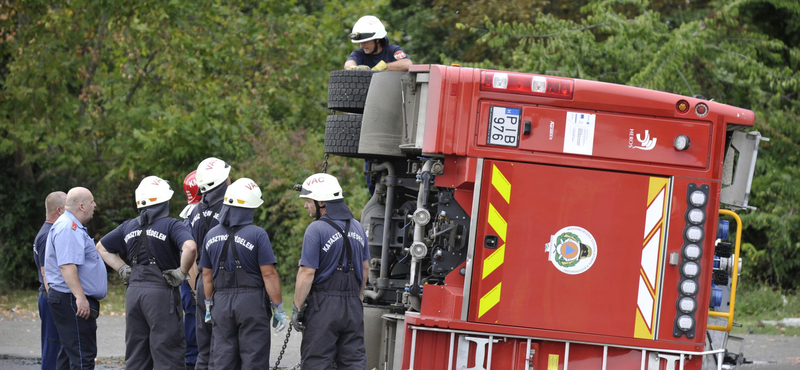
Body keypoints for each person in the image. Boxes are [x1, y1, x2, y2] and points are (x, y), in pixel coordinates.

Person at [96, 176, 197, 369]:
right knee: (168, 352)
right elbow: (190, 247)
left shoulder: (129, 226)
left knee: (137, 354)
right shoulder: (172, 225)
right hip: (161, 294)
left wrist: (123, 268)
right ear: (164, 200)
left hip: (134, 294)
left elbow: (101, 247)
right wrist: (181, 272)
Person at [200, 178, 287, 369]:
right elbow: (269, 274)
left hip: (221, 303)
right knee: (253, 357)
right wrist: (278, 307)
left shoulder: (211, 235)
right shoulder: (257, 234)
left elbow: (207, 275)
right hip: (252, 304)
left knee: (222, 357)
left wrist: (208, 304)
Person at [291, 173, 370, 369]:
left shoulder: (316, 229)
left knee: (317, 360)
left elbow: (307, 273)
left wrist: (297, 308)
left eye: (308, 201)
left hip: (324, 306)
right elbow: (365, 268)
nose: (305, 206)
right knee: (352, 361)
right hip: (352, 305)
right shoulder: (358, 228)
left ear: (321, 203)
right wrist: (355, 298)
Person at [44, 187, 107, 370]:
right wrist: (80, 298)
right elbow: (67, 266)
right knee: (82, 358)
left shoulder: (71, 225)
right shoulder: (68, 227)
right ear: (81, 205)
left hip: (68, 298)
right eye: (92, 201)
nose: (94, 205)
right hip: (71, 300)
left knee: (69, 355)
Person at [187, 157, 232, 370]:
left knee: (203, 346)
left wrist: (194, 283)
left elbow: (190, 248)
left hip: (201, 283)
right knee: (223, 345)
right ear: (224, 181)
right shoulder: (229, 210)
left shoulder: (195, 212)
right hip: (223, 285)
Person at [33, 191, 66, 370]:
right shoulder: (47, 236)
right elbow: (47, 274)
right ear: (59, 210)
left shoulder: (48, 231)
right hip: (50, 296)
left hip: (48, 296)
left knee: (55, 345)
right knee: (53, 346)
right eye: (67, 206)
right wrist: (55, 301)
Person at [179, 170, 201, 370]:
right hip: (193, 283)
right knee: (195, 325)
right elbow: (191, 255)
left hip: (191, 283)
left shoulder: (189, 215)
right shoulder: (195, 217)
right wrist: (196, 291)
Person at [343, 15, 412, 72]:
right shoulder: (359, 54)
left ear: (377, 40)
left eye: (365, 42)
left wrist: (384, 67)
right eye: (360, 42)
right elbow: (348, 64)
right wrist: (354, 69)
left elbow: (407, 64)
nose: (361, 46)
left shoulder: (393, 50)